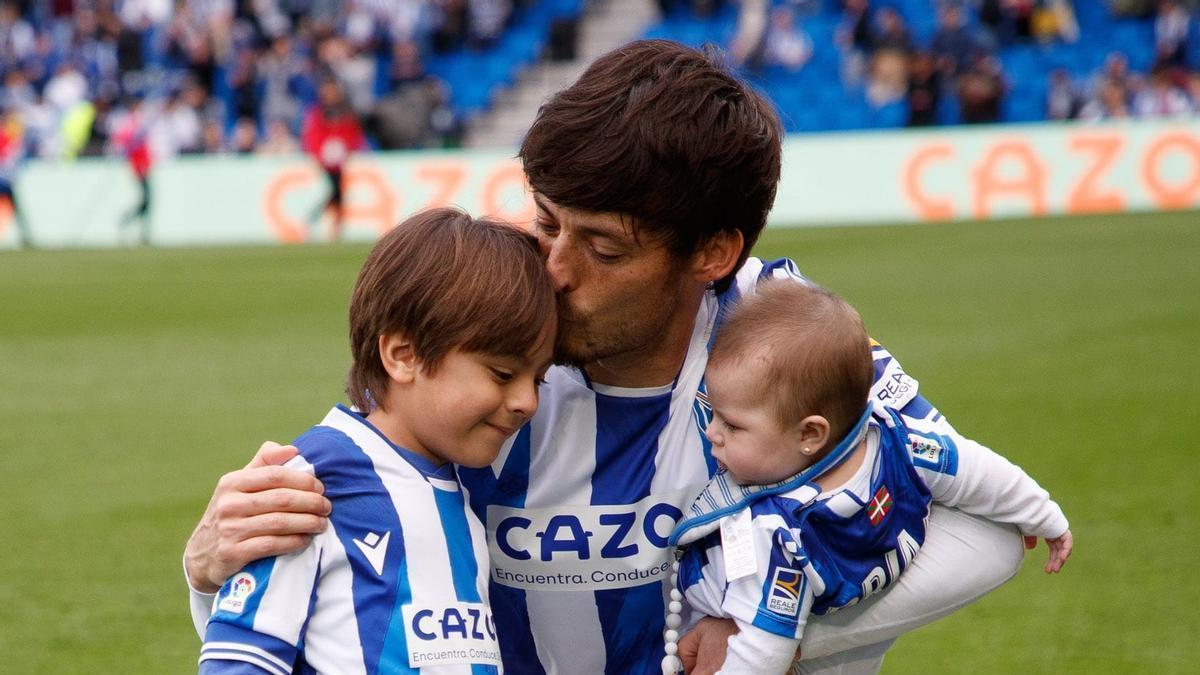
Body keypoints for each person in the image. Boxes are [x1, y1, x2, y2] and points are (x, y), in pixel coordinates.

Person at [184, 40, 1035, 674]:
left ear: (711, 254)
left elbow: (990, 529)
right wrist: (212, 569)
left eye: (604, 248)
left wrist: (764, 634)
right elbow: (352, 595)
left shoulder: (784, 340)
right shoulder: (493, 337)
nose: (552, 271)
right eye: (548, 222)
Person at [198, 208, 556, 673]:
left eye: (540, 380)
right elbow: (241, 661)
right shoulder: (310, 485)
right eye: (503, 373)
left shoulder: (466, 492)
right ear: (403, 356)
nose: (527, 401)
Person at [663, 282, 1072, 674]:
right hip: (838, 625)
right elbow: (972, 468)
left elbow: (762, 648)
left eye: (731, 426)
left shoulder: (776, 533)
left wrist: (1039, 515)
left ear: (810, 434)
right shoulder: (900, 441)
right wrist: (1044, 516)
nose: (711, 431)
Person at [302, 73, 366, 242]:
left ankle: (330, 226)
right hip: (325, 162)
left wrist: (349, 150)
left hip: (340, 162)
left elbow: (353, 134)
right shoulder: (318, 113)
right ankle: (320, 221)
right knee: (336, 193)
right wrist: (318, 154)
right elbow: (312, 135)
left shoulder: (346, 112)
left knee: (338, 194)